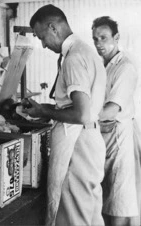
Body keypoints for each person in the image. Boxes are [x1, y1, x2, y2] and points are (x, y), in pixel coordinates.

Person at [24, 4, 107, 226]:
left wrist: (44, 110)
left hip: (78, 144)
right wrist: (49, 109)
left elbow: (81, 113)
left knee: (71, 216)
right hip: (90, 140)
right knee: (88, 214)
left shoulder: (74, 58)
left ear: (53, 27)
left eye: (42, 37)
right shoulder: (83, 50)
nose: (42, 44)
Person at [92, 16, 139, 226]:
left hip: (120, 137)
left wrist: (80, 117)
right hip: (105, 136)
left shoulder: (124, 67)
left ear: (116, 37)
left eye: (103, 38)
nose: (99, 44)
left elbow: (111, 110)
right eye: (95, 39)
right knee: (108, 194)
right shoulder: (104, 65)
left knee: (120, 197)